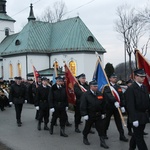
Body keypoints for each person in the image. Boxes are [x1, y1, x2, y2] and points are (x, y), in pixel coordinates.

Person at [125, 69, 150, 150]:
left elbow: (147, 102)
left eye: (144, 77)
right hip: (136, 116)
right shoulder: (131, 88)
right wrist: (134, 119)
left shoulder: (144, 87)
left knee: (136, 135)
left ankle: (131, 148)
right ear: (136, 77)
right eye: (141, 76)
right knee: (139, 137)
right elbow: (130, 105)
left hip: (143, 115)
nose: (143, 78)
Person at [80, 80, 109, 149]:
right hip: (90, 114)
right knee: (88, 127)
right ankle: (85, 137)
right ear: (91, 87)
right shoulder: (86, 94)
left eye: (97, 86)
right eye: (95, 86)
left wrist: (103, 112)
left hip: (98, 114)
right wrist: (84, 114)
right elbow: (83, 105)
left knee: (101, 128)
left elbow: (103, 104)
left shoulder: (99, 94)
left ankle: (102, 142)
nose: (96, 87)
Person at [103, 73, 128, 142]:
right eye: (113, 77)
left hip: (117, 107)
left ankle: (122, 135)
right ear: (110, 79)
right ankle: (104, 133)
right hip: (109, 107)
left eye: (115, 77)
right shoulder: (107, 87)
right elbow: (108, 95)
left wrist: (122, 105)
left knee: (119, 121)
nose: (115, 78)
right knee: (106, 121)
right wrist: (114, 101)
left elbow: (122, 96)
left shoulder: (118, 86)